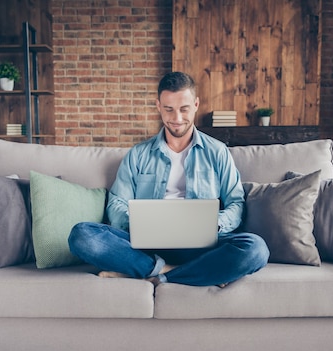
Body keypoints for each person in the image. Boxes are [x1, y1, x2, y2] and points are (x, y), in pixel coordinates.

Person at [68, 71, 269, 286]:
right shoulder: (138, 154)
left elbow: (236, 203)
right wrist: (137, 223)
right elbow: (117, 202)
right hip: (145, 245)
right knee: (82, 235)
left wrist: (216, 225)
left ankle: (156, 274)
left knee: (255, 249)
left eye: (184, 109)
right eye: (169, 109)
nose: (177, 119)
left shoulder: (218, 152)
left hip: (202, 245)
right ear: (158, 106)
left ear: (196, 105)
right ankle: (183, 272)